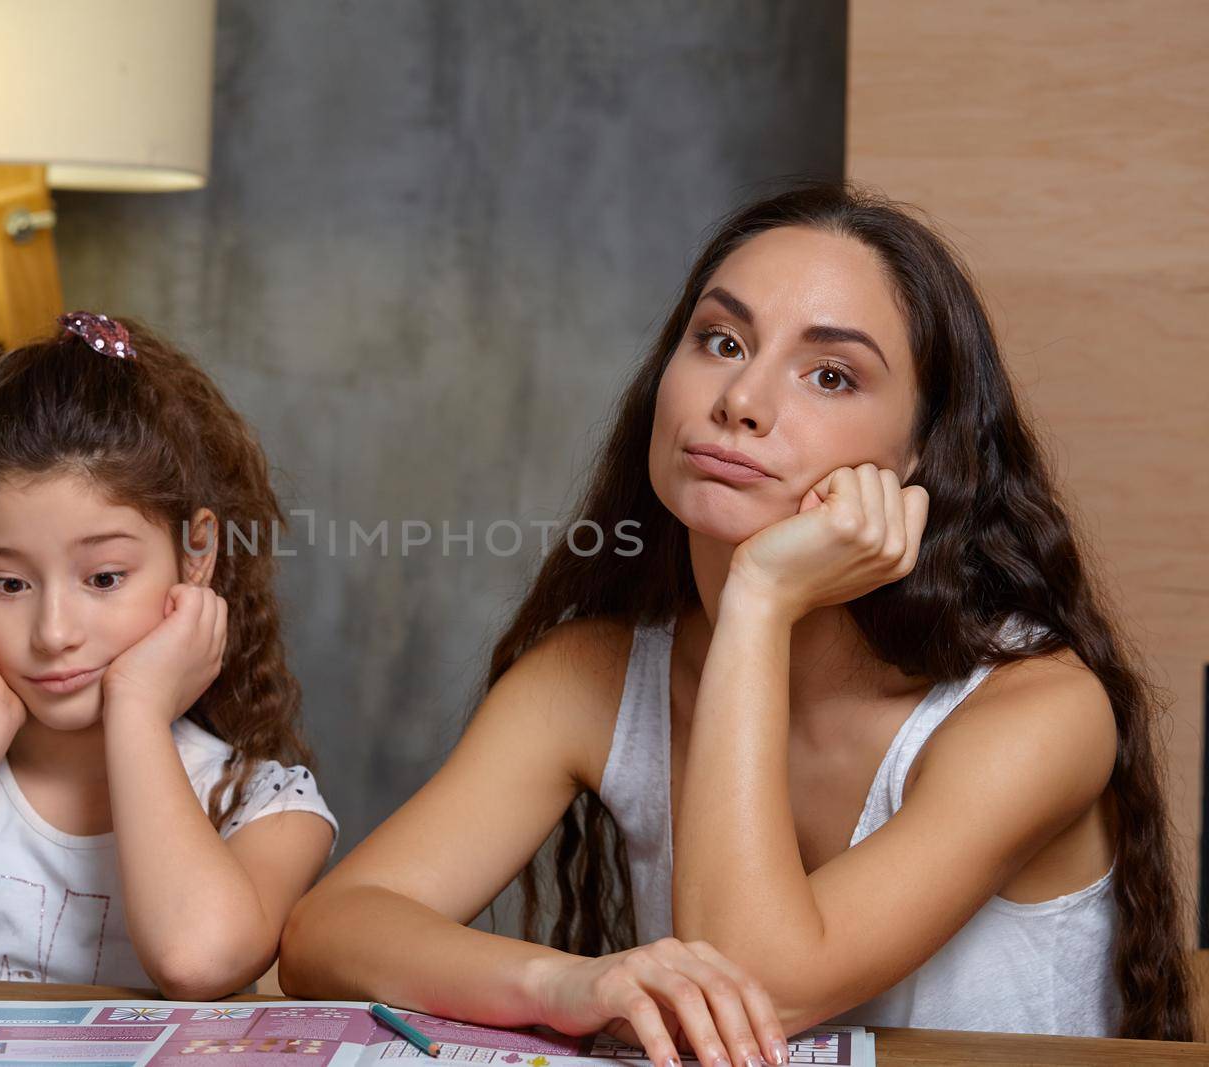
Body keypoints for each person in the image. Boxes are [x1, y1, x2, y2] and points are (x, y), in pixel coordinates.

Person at [278, 180, 1198, 1065]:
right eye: (720, 341)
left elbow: (757, 982)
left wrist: (760, 600)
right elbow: (333, 929)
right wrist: (565, 984)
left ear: (922, 450)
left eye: (831, 375)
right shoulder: (591, 673)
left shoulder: (1037, 712)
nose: (742, 401)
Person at [0, 312, 337, 998]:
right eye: (8, 583)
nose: (52, 631)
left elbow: (197, 958)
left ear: (197, 553)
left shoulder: (260, 804)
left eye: (103, 578)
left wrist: (136, 708)